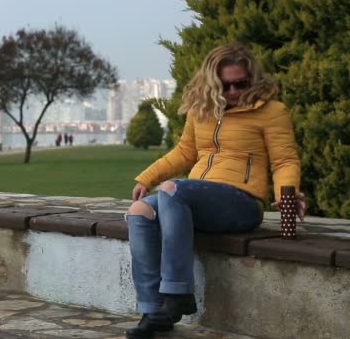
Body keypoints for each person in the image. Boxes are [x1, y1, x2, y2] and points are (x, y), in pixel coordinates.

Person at [124, 43, 306, 339]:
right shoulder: (202, 111)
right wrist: (147, 177)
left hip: (240, 202)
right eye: (225, 85)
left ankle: (177, 293)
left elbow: (285, 159)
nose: (233, 91)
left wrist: (288, 191)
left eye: (241, 83)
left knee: (173, 190)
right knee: (139, 211)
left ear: (252, 79)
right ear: (212, 83)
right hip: (195, 197)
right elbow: (185, 152)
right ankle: (153, 311)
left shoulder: (272, 111)